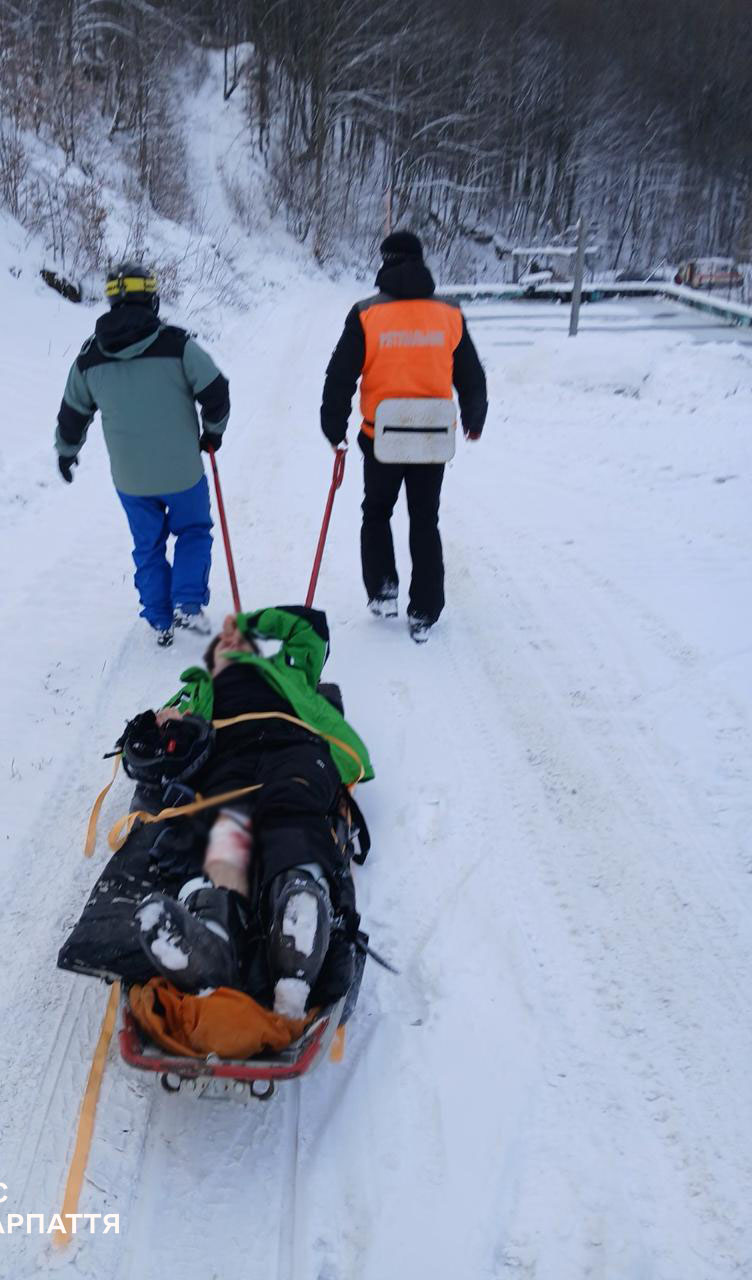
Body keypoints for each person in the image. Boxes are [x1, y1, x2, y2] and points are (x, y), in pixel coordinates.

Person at [135, 605, 373, 1017]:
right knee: (223, 829)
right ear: (211, 659)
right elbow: (146, 756)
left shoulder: (288, 670)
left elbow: (310, 628)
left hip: (293, 747)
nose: (229, 642)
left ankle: (298, 914)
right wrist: (162, 726)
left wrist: (248, 623)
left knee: (290, 813)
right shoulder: (194, 694)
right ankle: (213, 936)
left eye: (238, 641)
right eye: (221, 642)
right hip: (226, 761)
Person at [320, 230, 488, 642]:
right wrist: (474, 418)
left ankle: (383, 591)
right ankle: (425, 609)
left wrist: (334, 426)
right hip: (433, 437)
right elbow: (471, 373)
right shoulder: (449, 313)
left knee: (377, 512)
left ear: (385, 260)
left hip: (383, 436)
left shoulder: (366, 313)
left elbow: (341, 375)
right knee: (425, 518)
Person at [54, 260, 230, 647]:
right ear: (152, 299)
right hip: (183, 472)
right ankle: (187, 601)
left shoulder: (90, 357)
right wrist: (212, 433)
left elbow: (73, 412)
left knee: (148, 545)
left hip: (131, 478)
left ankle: (159, 618)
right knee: (193, 531)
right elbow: (216, 391)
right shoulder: (177, 345)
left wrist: (66, 452)